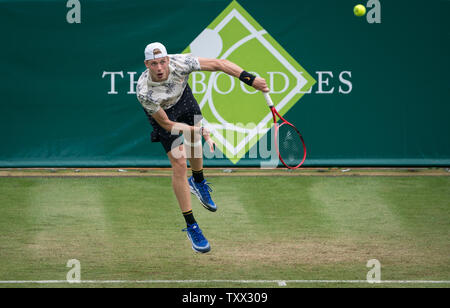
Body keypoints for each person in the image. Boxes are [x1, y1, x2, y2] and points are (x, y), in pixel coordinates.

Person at [136, 42, 269, 253]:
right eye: (154, 64)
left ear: (168, 59)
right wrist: (198, 130)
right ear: (147, 64)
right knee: (180, 163)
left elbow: (219, 64)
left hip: (184, 99)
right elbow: (168, 126)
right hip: (165, 116)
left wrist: (250, 79)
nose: (160, 68)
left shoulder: (181, 62)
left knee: (195, 145)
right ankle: (192, 225)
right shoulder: (144, 92)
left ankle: (198, 181)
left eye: (162, 62)